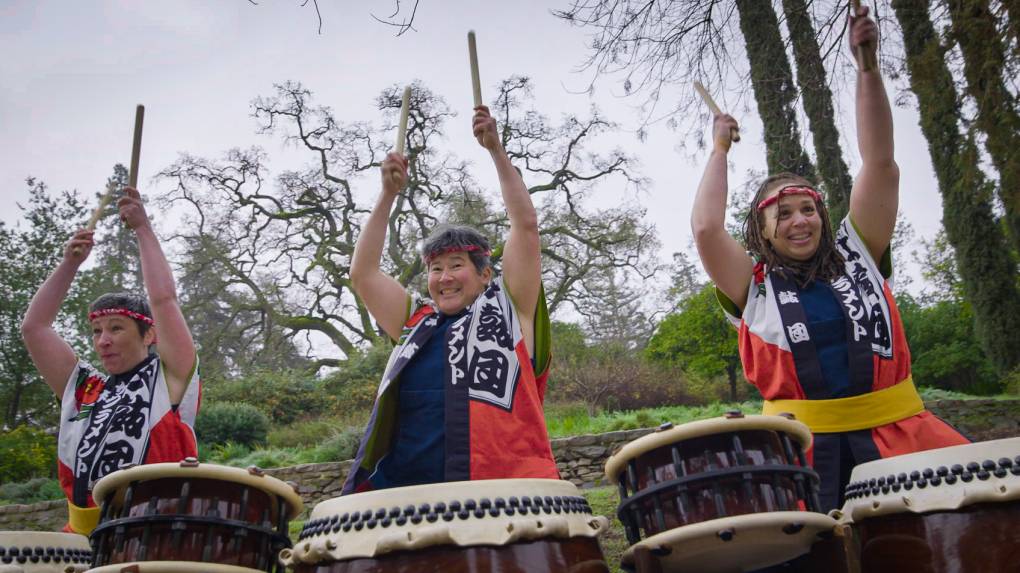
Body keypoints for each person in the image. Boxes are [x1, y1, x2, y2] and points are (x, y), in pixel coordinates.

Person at [690, 7, 968, 511]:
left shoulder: (858, 253)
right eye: (784, 214)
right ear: (762, 231)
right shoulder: (752, 288)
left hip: (900, 437)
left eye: (808, 209)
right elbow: (707, 229)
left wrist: (867, 68)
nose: (800, 221)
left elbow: (880, 163)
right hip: (801, 454)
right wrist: (719, 150)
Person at [343, 104, 556, 493]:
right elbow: (363, 273)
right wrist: (387, 195)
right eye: (435, 269)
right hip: (408, 494)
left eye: (456, 265)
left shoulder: (510, 311)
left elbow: (525, 226)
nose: (444, 278)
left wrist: (496, 151)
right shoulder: (415, 322)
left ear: (485, 273)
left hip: (509, 491)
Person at [21, 186, 200, 534]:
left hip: (155, 530)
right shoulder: (86, 390)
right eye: (96, 331)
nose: (103, 341)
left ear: (149, 335)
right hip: (84, 536)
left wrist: (143, 229)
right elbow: (35, 328)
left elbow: (163, 300)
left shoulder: (168, 382)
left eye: (116, 328)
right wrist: (69, 264)